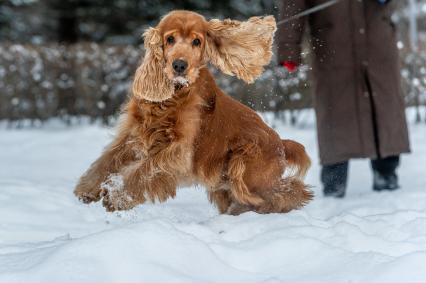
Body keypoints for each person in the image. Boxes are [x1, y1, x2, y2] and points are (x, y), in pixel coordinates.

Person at [278, 0, 410, 197]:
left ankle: (386, 173)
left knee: (384, 108)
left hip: (377, 40)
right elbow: (293, 4)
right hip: (333, 44)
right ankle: (334, 182)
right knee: (336, 112)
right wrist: (289, 47)